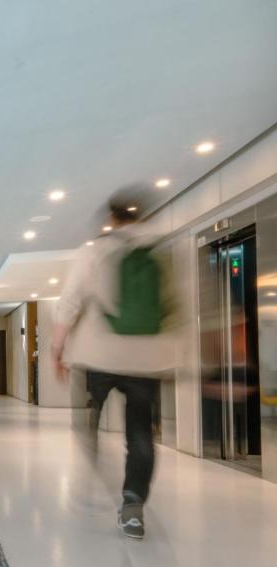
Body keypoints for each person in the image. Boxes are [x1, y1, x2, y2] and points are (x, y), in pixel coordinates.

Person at [52, 193, 176, 540]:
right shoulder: (160, 253)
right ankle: (132, 504)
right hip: (146, 361)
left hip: (100, 356)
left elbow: (69, 302)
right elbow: (175, 308)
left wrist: (56, 348)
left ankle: (92, 467)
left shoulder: (95, 251)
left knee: (87, 419)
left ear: (113, 218)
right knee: (140, 434)